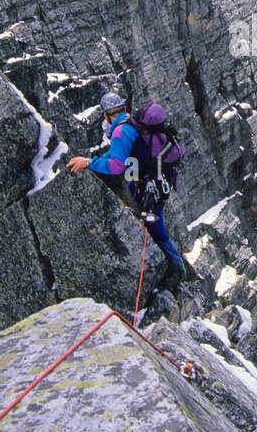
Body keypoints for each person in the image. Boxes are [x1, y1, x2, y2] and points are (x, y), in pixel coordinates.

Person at [67, 91, 186, 290]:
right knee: (146, 210)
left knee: (154, 224)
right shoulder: (132, 123)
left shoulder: (121, 131)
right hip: (154, 180)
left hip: (151, 185)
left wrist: (88, 162)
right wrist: (94, 161)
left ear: (106, 115)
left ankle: (177, 266)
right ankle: (167, 257)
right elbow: (117, 156)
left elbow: (116, 166)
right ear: (123, 108)